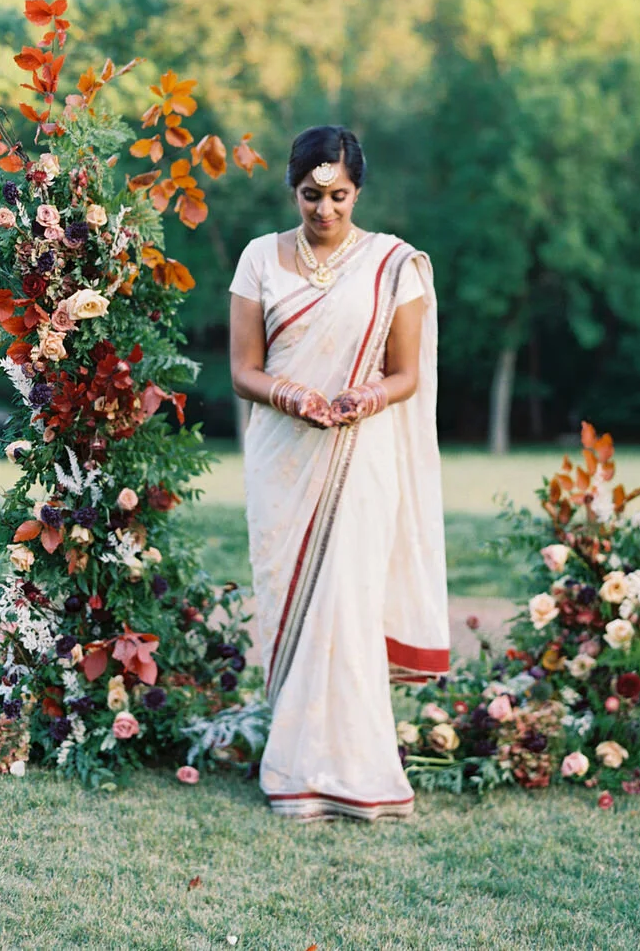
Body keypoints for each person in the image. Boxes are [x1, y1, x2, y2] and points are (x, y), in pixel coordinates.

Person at [228, 124, 450, 821]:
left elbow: (407, 373)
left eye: (339, 196)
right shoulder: (259, 258)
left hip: (362, 456)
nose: (323, 210)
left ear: (358, 191)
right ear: (292, 188)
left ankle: (361, 774)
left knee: (350, 605)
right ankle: (292, 770)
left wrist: (362, 398)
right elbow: (242, 370)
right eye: (310, 195)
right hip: (282, 457)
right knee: (285, 598)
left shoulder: (393, 265)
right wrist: (293, 395)